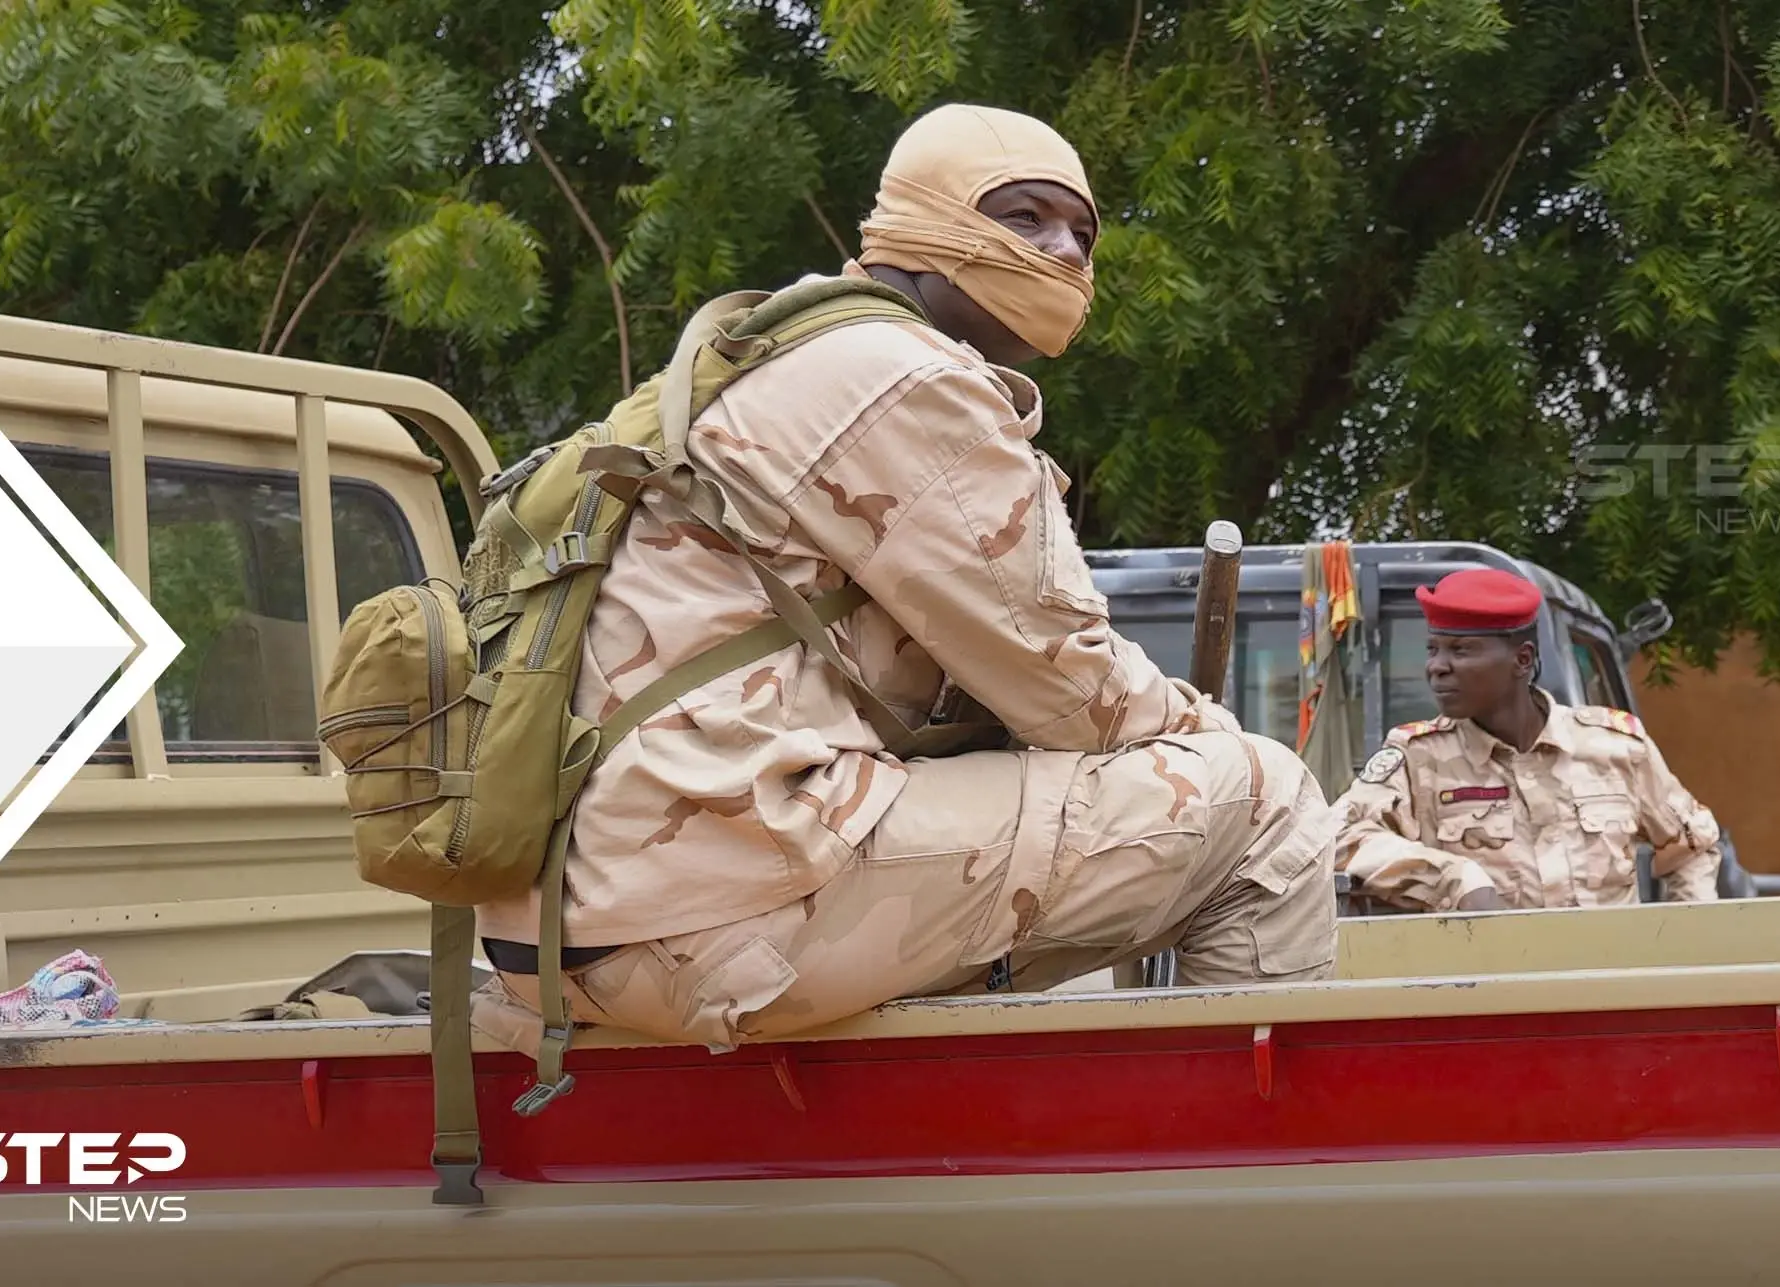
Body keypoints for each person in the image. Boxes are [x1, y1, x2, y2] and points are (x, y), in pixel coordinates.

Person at [470, 103, 1338, 1058]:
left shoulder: (772, 352)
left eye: (1082, 234)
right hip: (716, 908)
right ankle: (1235, 1171)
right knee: (1266, 800)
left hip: (570, 922)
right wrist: (1206, 729)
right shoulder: (902, 378)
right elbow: (1075, 695)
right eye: (1025, 218)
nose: (1065, 255)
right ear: (923, 219)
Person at [1331, 567, 1722, 912]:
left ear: (1522, 660)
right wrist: (1453, 878)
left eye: (1461, 650)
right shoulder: (1417, 757)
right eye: (1433, 649)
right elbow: (1338, 840)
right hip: (1487, 989)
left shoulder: (1614, 747)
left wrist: (1685, 943)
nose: (1437, 667)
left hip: (1607, 984)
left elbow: (1693, 847)